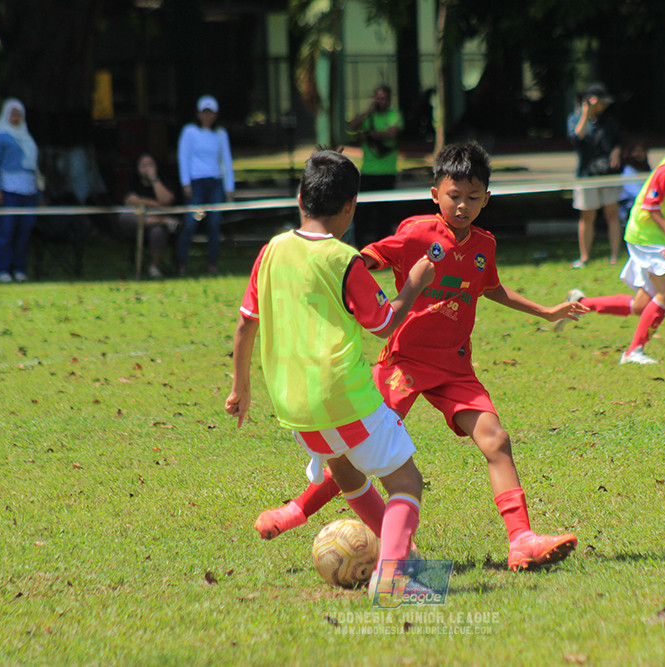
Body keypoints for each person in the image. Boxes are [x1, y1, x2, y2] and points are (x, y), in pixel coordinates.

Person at [254, 141, 586, 572]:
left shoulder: (484, 244)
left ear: (487, 198)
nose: (462, 206)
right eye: (454, 196)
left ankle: (521, 539)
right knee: (355, 450)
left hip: (454, 367)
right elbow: (365, 260)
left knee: (497, 440)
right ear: (435, 194)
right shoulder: (416, 233)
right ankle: (296, 510)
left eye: (472, 197)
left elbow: (492, 288)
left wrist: (546, 311)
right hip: (404, 362)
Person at [224, 150, 435, 594]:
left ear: (300, 198)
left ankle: (402, 556)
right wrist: (415, 283)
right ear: (350, 207)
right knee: (406, 481)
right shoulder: (344, 260)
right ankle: (394, 574)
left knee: (347, 473)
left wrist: (241, 389)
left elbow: (245, 324)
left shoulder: (271, 251)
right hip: (344, 397)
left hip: (294, 408)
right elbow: (383, 324)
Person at [556, 109, 665, 365]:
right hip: (646, 232)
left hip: (659, 234)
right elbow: (651, 207)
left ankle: (579, 303)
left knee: (641, 305)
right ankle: (633, 352)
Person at [566, 83, 623, 268]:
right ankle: (584, 257)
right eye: (601, 102)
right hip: (586, 175)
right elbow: (577, 138)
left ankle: (615, 256)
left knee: (612, 213)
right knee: (587, 216)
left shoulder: (609, 120)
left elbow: (617, 141)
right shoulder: (575, 118)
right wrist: (585, 113)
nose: (604, 106)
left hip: (608, 174)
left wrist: (616, 152)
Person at [177, 95, 233, 276]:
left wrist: (229, 187)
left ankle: (212, 262)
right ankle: (181, 262)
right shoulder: (189, 132)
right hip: (196, 182)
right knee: (190, 223)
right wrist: (185, 183)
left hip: (215, 182)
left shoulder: (220, 134)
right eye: (204, 112)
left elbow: (226, 161)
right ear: (198, 114)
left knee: (214, 224)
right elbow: (183, 157)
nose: (207, 116)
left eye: (211, 113)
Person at [0, 98, 41, 283]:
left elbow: (34, 167)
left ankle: (19, 268)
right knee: (6, 231)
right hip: (8, 189)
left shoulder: (27, 136)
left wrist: (39, 192)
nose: (16, 118)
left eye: (18, 115)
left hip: (29, 190)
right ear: (6, 115)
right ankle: (1, 269)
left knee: (24, 231)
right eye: (12, 114)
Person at [345, 85, 403, 247]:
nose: (380, 101)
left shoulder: (394, 115)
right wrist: (368, 111)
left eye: (383, 98)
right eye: (378, 98)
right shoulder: (368, 117)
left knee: (385, 213)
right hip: (368, 171)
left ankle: (383, 246)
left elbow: (392, 133)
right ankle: (360, 245)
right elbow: (351, 126)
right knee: (363, 212)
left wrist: (370, 134)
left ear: (389, 100)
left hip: (387, 171)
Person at [118, 153, 178, 279]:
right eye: (143, 165)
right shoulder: (132, 183)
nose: (147, 168)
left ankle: (154, 267)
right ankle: (162, 221)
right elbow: (131, 200)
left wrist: (154, 179)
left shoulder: (164, 182)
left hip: (154, 227)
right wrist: (157, 205)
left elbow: (167, 200)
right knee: (124, 217)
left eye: (150, 164)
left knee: (158, 231)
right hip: (137, 222)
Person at [617, 138, 651, 224]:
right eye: (636, 151)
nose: (639, 154)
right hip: (631, 210)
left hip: (648, 206)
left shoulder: (648, 170)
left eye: (641, 151)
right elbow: (637, 193)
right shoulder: (627, 171)